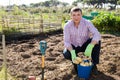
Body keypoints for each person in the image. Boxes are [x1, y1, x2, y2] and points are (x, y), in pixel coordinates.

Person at [63, 7, 101, 75]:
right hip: (74, 46)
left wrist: (90, 46)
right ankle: (75, 62)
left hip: (85, 45)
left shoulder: (87, 23)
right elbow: (66, 41)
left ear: (81, 15)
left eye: (78, 14)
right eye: (74, 15)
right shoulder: (67, 26)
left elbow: (97, 34)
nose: (76, 17)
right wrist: (72, 52)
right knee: (66, 53)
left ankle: (94, 65)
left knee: (97, 42)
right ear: (70, 16)